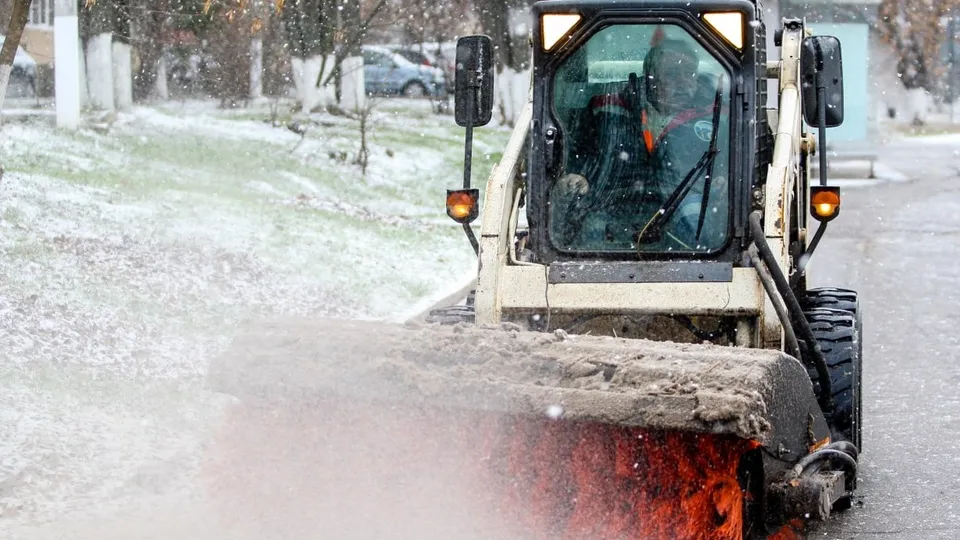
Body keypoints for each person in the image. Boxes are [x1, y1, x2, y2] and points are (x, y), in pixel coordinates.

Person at [552, 37, 726, 251]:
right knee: (589, 237)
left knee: (703, 236)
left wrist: (722, 180)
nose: (683, 83)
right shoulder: (607, 110)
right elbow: (576, 152)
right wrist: (575, 175)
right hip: (612, 201)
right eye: (672, 74)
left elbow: (728, 163)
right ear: (650, 78)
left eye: (689, 74)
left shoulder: (715, 118)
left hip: (685, 201)